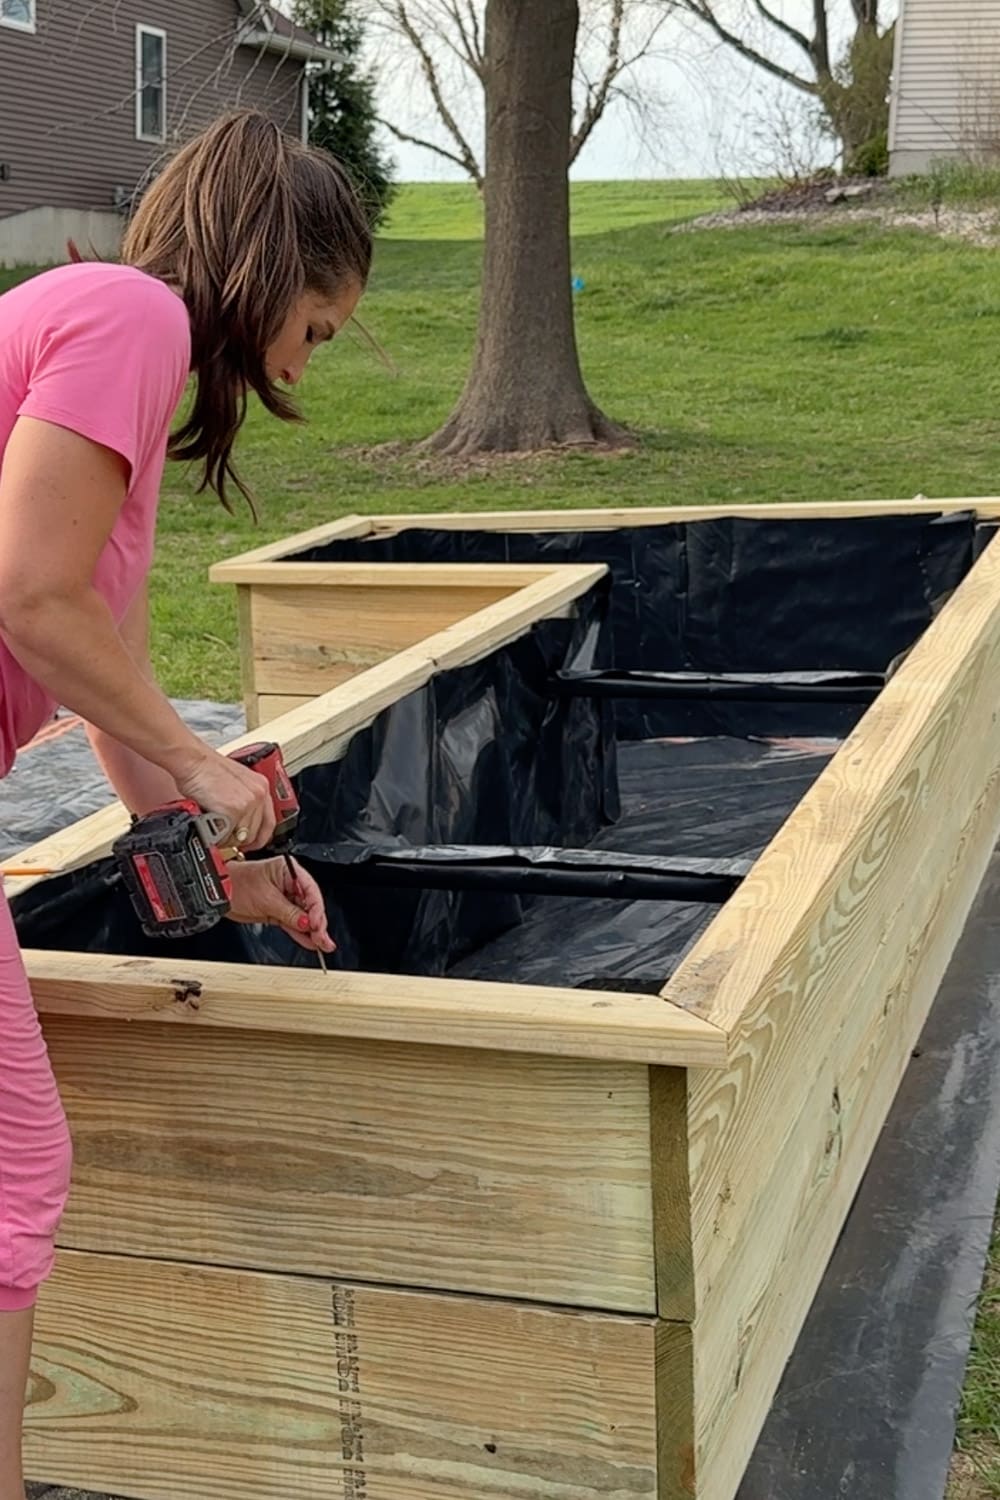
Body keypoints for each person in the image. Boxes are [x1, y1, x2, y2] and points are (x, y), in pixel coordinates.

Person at [0, 109, 368, 1496]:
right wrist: (213, 767)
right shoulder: (130, 312)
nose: (306, 364)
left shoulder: (105, 343)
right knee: (16, 1171)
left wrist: (217, 867)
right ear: (272, 264)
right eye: (320, 329)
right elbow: (28, 600)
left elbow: (103, 672)